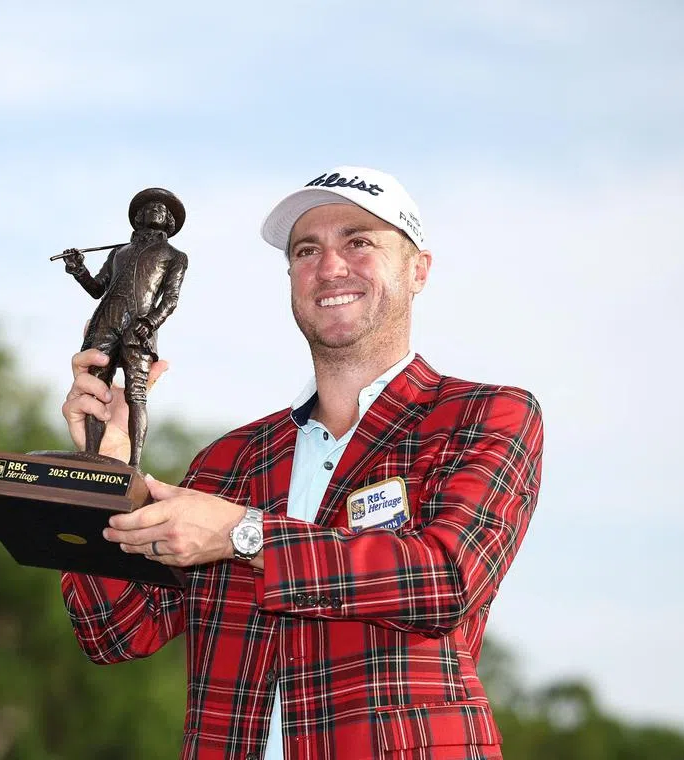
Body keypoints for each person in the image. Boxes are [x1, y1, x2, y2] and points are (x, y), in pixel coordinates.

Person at [59, 166, 544, 759]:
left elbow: (443, 579)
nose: (331, 266)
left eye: (358, 241)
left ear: (419, 270)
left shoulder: (485, 415)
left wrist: (245, 534)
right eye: (307, 250)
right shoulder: (229, 461)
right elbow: (116, 630)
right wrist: (105, 472)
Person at [60, 187, 189, 470]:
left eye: (163, 210)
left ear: (168, 222)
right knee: (95, 390)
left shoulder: (175, 256)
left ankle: (133, 464)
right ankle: (91, 456)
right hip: (106, 320)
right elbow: (97, 288)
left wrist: (151, 322)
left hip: (139, 326)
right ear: (139, 217)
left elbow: (170, 299)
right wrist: (79, 270)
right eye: (150, 207)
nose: (157, 210)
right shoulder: (119, 252)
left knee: (136, 393)